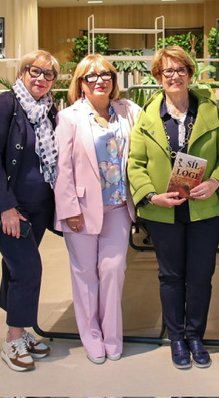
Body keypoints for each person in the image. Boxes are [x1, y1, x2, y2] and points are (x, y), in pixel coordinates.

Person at [127, 46, 219, 369]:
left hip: (204, 209)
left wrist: (215, 182)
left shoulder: (211, 111)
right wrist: (150, 196)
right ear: (158, 77)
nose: (174, 76)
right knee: (170, 276)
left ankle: (195, 335)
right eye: (167, 71)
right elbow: (135, 163)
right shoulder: (147, 116)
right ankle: (176, 338)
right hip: (163, 211)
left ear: (190, 73)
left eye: (180, 70)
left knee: (200, 276)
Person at [0, 50, 58, 372]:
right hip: (9, 207)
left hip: (39, 207)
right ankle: (13, 339)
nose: (41, 78)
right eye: (35, 71)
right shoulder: (4, 104)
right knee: (28, 268)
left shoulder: (49, 110)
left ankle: (20, 329)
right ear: (22, 72)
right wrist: (6, 207)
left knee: (15, 268)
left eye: (49, 74)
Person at [53, 54, 141, 364]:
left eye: (105, 74)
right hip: (80, 209)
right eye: (91, 76)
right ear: (81, 83)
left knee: (113, 271)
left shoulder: (127, 111)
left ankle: (112, 336)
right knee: (85, 274)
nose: (99, 80)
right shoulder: (69, 117)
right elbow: (61, 167)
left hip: (118, 206)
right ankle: (92, 337)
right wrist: (68, 209)